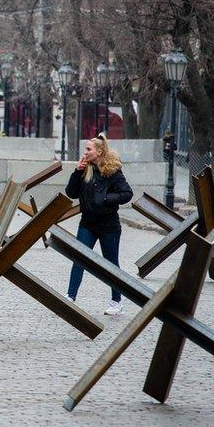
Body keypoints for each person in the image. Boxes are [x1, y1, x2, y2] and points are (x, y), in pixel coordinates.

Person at [64, 133, 133, 316]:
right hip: (87, 223)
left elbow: (127, 193)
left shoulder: (112, 171)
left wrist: (106, 198)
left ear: (99, 151)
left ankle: (116, 301)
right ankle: (70, 297)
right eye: (85, 149)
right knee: (78, 258)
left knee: (111, 264)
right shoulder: (85, 170)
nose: (85, 152)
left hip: (108, 224)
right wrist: (77, 171)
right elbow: (71, 193)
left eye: (88, 149)